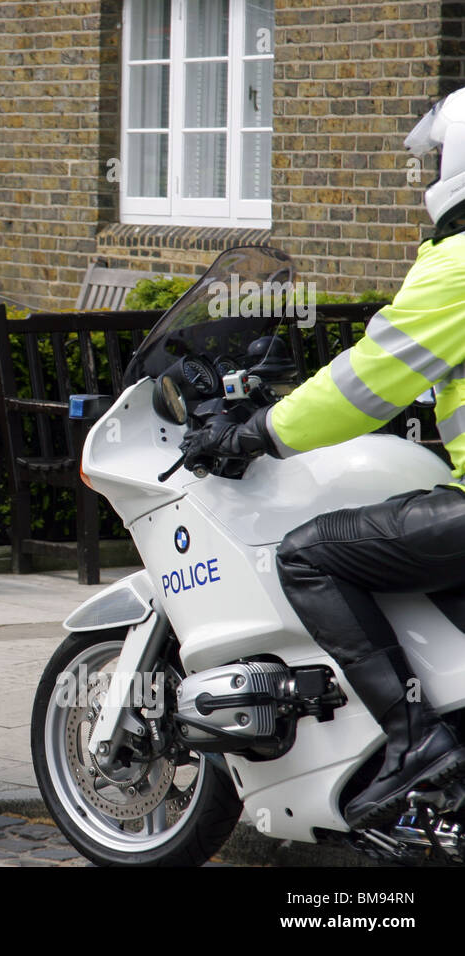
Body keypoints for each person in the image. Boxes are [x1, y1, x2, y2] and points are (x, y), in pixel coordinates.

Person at [179, 91, 465, 830]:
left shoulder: (458, 266)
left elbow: (364, 382)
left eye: (435, 159)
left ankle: (414, 739)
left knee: (310, 554)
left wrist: (254, 433)